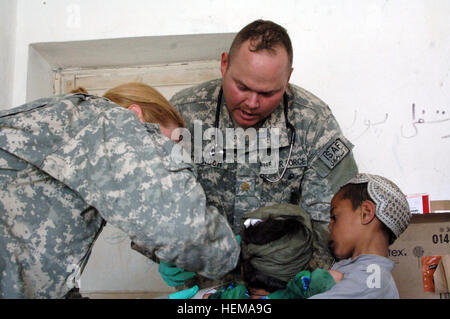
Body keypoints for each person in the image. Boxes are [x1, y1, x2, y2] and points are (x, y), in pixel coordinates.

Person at [0, 82, 239, 298]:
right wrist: (243, 256)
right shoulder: (109, 120)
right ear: (135, 115)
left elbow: (40, 282)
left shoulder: (75, 133)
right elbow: (182, 230)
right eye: (170, 145)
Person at [170, 19, 358, 287]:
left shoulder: (312, 121)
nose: (252, 103)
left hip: (283, 285)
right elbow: (152, 200)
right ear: (224, 64)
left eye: (268, 93)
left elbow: (333, 218)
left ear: (288, 78)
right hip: (204, 288)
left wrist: (300, 283)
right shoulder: (184, 114)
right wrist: (162, 254)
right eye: (242, 87)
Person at [201, 204, 342, 299]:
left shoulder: (236, 294)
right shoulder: (295, 291)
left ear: (242, 270)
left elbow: (206, 297)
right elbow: (336, 276)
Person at [309, 173, 411, 299]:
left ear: (366, 213)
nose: (330, 226)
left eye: (334, 217)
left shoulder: (370, 281)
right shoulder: (366, 273)